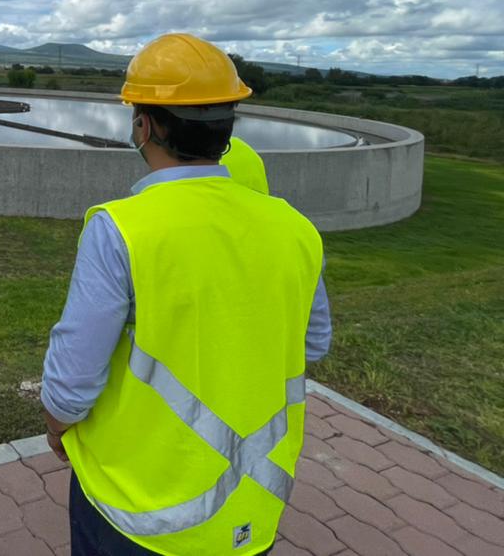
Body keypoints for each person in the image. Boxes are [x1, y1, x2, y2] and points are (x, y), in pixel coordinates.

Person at [41, 33, 333, 556]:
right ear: (227, 125)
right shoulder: (296, 229)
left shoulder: (121, 229)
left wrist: (56, 426)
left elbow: (72, 379)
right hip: (252, 504)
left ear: (144, 125)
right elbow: (312, 345)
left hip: (133, 512)